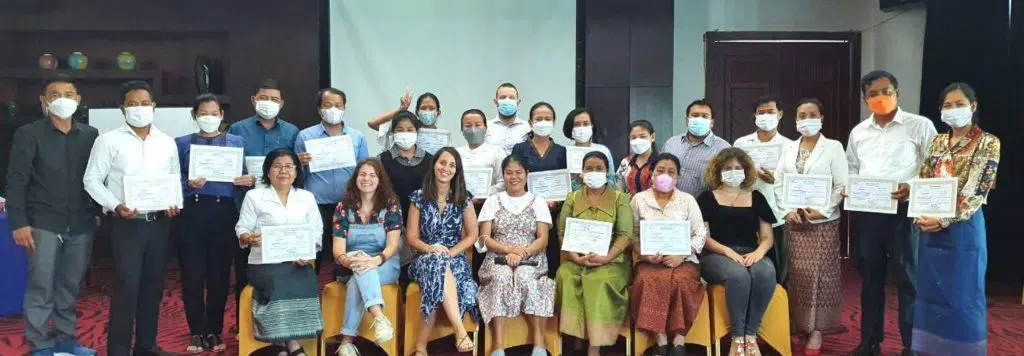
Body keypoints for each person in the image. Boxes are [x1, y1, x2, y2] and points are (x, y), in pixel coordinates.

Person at [83, 81, 182, 356]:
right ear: (122, 108)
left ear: (154, 107)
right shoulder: (108, 140)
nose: (140, 109)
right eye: (133, 104)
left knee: (153, 286)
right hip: (126, 225)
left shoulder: (166, 142)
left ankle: (147, 346)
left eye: (145, 103)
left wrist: (176, 205)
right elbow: (91, 180)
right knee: (127, 286)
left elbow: (174, 180)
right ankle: (118, 350)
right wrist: (115, 205)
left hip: (160, 223)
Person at [846, 70, 936, 356]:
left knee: (909, 278)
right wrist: (852, 187)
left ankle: (912, 346)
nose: (880, 98)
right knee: (870, 279)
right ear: (865, 99)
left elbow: (935, 168)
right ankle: (869, 343)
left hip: (906, 212)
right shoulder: (859, 132)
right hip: (870, 213)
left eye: (886, 91)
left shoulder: (919, 126)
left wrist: (912, 186)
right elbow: (851, 168)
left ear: (898, 93)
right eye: (872, 94)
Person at [6, 79, 99, 356]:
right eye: (55, 94)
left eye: (68, 94)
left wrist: (96, 210)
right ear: (44, 101)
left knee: (69, 285)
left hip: (81, 222)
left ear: (79, 99)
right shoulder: (28, 133)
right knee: (41, 285)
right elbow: (16, 180)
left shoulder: (91, 134)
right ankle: (39, 343)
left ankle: (65, 338)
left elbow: (96, 177)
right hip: (42, 222)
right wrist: (19, 222)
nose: (62, 99)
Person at [911, 82, 999, 356]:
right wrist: (919, 212)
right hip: (930, 227)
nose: (953, 110)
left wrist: (944, 220)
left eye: (959, 104)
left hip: (964, 229)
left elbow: (976, 192)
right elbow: (924, 178)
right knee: (931, 295)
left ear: (973, 107)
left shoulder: (988, 142)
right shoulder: (938, 141)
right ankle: (928, 350)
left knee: (964, 296)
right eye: (947, 105)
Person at [174, 93, 253, 353]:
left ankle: (215, 330)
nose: (209, 118)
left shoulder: (236, 141)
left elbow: (241, 176)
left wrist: (247, 180)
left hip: (224, 213)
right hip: (193, 212)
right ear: (194, 115)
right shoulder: (181, 143)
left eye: (214, 113)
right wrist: (187, 184)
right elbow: (172, 181)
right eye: (203, 113)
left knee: (220, 275)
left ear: (222, 115)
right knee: (193, 275)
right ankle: (197, 331)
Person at [774, 99, 848, 356]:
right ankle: (800, 324)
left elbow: (841, 186)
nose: (806, 119)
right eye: (801, 115)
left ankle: (816, 330)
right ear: (795, 120)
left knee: (819, 276)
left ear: (822, 117)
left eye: (812, 114)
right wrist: (787, 211)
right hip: (794, 222)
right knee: (798, 275)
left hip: (822, 223)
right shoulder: (789, 148)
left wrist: (822, 210)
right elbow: (779, 183)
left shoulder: (833, 147)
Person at [236, 148, 323, 356]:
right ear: (268, 171)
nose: (283, 171)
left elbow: (317, 231)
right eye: (277, 166)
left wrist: (309, 252)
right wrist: (249, 238)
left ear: (296, 172)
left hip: (298, 262)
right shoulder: (254, 196)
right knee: (278, 280)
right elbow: (242, 228)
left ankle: (282, 344)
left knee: (307, 279)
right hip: (264, 262)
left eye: (288, 166)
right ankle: (293, 344)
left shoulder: (306, 197)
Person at [227, 78, 300, 318]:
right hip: (246, 204)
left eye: (274, 99)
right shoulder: (237, 129)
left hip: (280, 207)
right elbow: (227, 166)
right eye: (263, 98)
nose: (268, 103)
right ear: (253, 101)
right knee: (244, 265)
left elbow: (295, 168)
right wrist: (239, 177)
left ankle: (281, 319)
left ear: (282, 103)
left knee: (282, 267)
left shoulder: (291, 132)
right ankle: (243, 323)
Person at [697, 148, 777, 356]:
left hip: (752, 251)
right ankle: (737, 337)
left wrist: (759, 252)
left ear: (746, 171)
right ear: (718, 171)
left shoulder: (757, 197)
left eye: (738, 168)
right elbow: (704, 238)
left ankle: (751, 335)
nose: (733, 171)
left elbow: (767, 236)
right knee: (739, 276)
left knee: (765, 273)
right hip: (716, 255)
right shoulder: (706, 198)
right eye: (728, 168)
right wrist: (727, 252)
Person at [476, 155, 555, 356]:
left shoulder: (538, 202)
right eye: (509, 172)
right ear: (503, 176)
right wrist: (509, 250)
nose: (514, 177)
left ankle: (538, 343)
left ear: (527, 175)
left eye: (519, 172)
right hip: (498, 255)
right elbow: (484, 237)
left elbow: (543, 239)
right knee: (502, 277)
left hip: (531, 257)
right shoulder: (493, 201)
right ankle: (498, 345)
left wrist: (523, 252)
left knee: (525, 277)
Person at [556, 151, 633, 356]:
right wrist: (573, 255)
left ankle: (595, 345)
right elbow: (562, 231)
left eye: (599, 168)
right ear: (581, 172)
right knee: (565, 275)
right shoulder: (572, 197)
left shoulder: (620, 198)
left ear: (607, 171)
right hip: (576, 258)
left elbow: (625, 234)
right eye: (589, 168)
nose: (594, 172)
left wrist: (607, 257)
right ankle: (578, 335)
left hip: (611, 261)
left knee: (598, 282)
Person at [629, 153, 706, 356]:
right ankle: (660, 338)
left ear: (678, 177)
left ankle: (679, 339)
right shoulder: (639, 200)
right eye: (660, 171)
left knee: (681, 280)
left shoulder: (687, 200)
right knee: (648, 279)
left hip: (683, 260)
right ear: (651, 174)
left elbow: (700, 233)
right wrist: (644, 255)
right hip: (649, 261)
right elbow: (632, 234)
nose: (665, 175)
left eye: (671, 172)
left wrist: (683, 254)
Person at [406, 147, 480, 355]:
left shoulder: (463, 198)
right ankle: (460, 331)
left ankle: (421, 346)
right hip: (424, 257)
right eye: (442, 163)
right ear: (434, 165)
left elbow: (472, 235)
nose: (446, 168)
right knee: (435, 264)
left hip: (453, 257)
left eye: (452, 165)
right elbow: (411, 237)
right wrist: (431, 249)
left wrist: (450, 252)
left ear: (457, 171)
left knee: (438, 270)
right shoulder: (418, 197)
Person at [294, 87, 370, 275]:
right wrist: (299, 163)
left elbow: (365, 171)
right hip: (316, 203)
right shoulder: (305, 136)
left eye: (338, 105)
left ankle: (342, 291)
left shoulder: (356, 136)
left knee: (345, 252)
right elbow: (295, 175)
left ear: (344, 108)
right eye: (328, 105)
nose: (333, 109)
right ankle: (310, 292)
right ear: (319, 109)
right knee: (314, 251)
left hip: (349, 203)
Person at [331, 159, 401, 356]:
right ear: (355, 178)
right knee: (360, 271)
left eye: (372, 175)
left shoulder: (391, 206)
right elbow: (338, 249)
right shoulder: (343, 208)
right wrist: (349, 261)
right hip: (352, 262)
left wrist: (374, 261)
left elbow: (393, 246)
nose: (366, 179)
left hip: (385, 262)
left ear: (380, 180)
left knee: (360, 275)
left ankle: (347, 342)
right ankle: (380, 319)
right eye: (362, 174)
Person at [733, 96, 793, 284]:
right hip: (747, 210)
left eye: (771, 112)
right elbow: (731, 173)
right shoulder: (742, 144)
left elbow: (796, 179)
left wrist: (777, 178)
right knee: (747, 261)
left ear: (780, 114)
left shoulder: (790, 145)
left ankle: (780, 304)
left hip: (778, 211)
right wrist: (751, 172)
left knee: (779, 262)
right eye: (761, 113)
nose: (765, 116)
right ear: (754, 115)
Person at [511, 102, 568, 278]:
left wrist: (554, 203)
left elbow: (565, 184)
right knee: (526, 249)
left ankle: (548, 287)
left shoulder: (561, 151)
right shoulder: (519, 149)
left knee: (551, 250)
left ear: (554, 121)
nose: (543, 122)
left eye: (547, 119)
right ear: (530, 122)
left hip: (553, 209)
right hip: (526, 208)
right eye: (538, 119)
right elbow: (515, 177)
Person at [377, 111, 433, 285]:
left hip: (423, 225)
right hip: (393, 224)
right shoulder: (382, 159)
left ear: (417, 132)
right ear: (393, 133)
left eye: (410, 129)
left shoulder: (430, 160)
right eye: (400, 129)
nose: (405, 133)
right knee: (397, 272)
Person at [663, 99, 731, 197]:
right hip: (669, 204)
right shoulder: (671, 143)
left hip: (703, 208)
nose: (700, 119)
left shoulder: (723, 149)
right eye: (695, 115)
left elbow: (726, 184)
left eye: (705, 116)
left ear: (712, 122)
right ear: (687, 120)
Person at [369, 91, 443, 153]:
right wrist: (400, 110)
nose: (427, 112)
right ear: (417, 112)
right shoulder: (405, 129)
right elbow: (372, 123)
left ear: (438, 113)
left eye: (431, 108)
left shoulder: (442, 137)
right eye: (423, 108)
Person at [455, 109, 507, 197]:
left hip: (490, 203)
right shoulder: (456, 153)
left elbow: (503, 182)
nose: (473, 129)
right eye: (468, 126)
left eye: (478, 125)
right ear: (462, 130)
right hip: (460, 204)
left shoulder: (497, 152)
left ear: (486, 128)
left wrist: (484, 194)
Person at [563, 108, 615, 191]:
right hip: (573, 200)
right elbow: (561, 185)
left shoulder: (603, 150)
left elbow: (612, 182)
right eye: (577, 124)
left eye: (586, 124)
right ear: (571, 128)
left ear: (592, 125)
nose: (581, 128)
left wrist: (599, 180)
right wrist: (577, 182)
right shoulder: (564, 152)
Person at [485, 83, 532, 154]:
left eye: (512, 98)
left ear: (518, 102)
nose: (507, 100)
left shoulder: (528, 128)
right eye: (503, 97)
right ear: (495, 102)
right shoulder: (486, 127)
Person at [615, 120, 658, 196]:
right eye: (633, 137)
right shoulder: (626, 162)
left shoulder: (662, 161)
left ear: (653, 137)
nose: (638, 140)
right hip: (629, 206)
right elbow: (618, 190)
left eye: (642, 136)